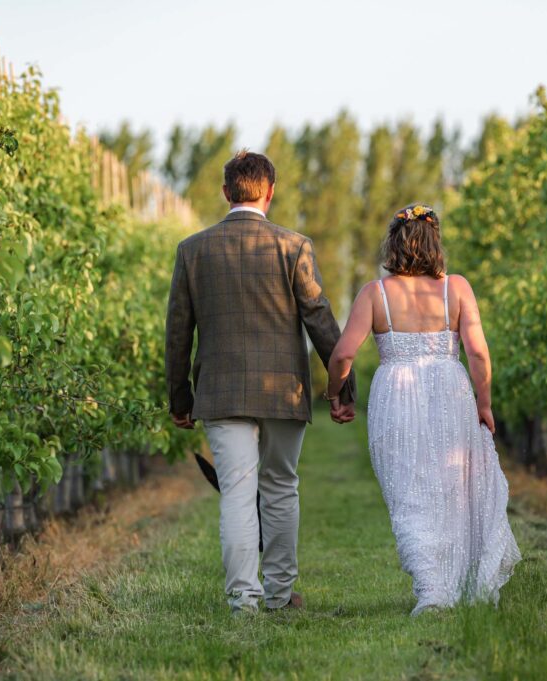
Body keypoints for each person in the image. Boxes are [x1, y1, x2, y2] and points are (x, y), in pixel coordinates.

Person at [165, 150, 355, 615]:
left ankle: (242, 599)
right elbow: (320, 319)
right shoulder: (294, 246)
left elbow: (177, 331)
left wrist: (179, 396)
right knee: (281, 487)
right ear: (270, 192)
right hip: (284, 389)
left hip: (220, 390)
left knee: (236, 489)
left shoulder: (192, 250)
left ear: (226, 192)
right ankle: (278, 594)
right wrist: (342, 387)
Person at [325, 203, 520, 616]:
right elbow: (479, 354)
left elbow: (343, 354)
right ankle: (446, 583)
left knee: (409, 491)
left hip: (396, 392)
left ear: (393, 244)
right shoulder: (458, 288)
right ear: (436, 243)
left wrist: (334, 393)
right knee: (450, 486)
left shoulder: (374, 294)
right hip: (449, 388)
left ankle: (432, 589)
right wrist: (484, 403)